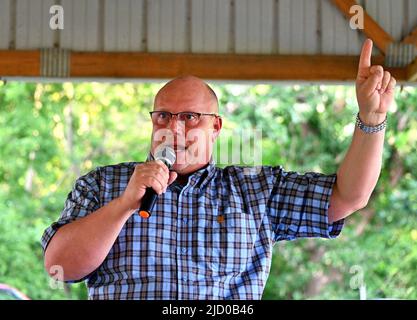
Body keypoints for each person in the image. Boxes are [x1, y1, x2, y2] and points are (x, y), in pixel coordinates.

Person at [42, 39, 396, 299]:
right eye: (163, 115)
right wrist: (122, 206)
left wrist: (372, 118)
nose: (175, 128)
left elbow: (348, 196)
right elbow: (60, 267)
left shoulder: (255, 189)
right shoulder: (102, 184)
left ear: (216, 127)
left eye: (190, 118)